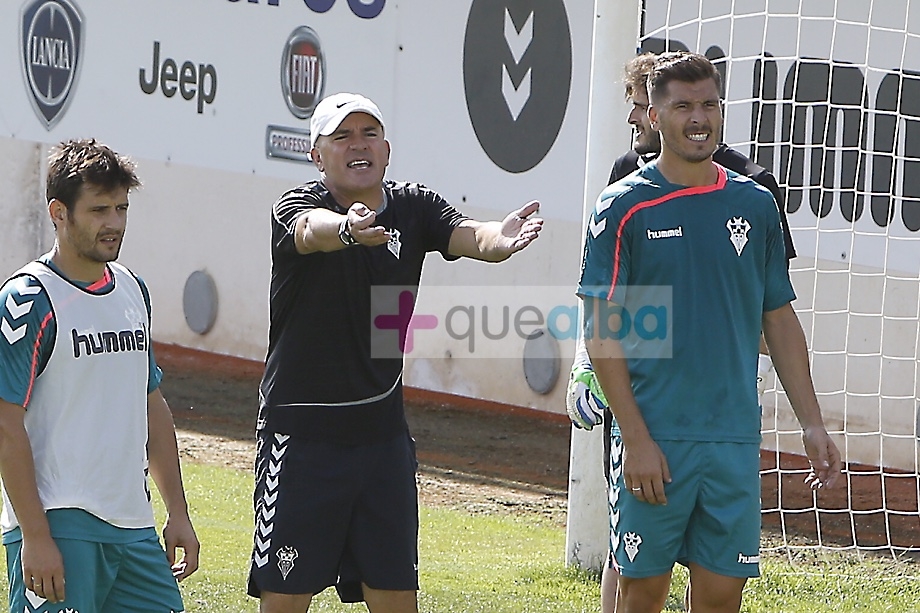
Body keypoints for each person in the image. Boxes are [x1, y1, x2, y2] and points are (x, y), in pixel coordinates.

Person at [247, 92, 543, 613]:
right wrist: (347, 229)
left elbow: (469, 235)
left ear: (386, 150)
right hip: (301, 438)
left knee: (396, 596)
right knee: (286, 600)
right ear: (317, 156)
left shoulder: (414, 207)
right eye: (342, 137)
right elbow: (308, 231)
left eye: (369, 134)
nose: (358, 145)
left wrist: (499, 238)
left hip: (382, 440)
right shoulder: (296, 205)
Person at [577, 52, 841, 612]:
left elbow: (779, 318)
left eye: (709, 104)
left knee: (722, 596)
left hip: (733, 440)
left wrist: (812, 423)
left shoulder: (755, 204)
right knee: (642, 593)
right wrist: (636, 440)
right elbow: (601, 327)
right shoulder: (623, 206)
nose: (699, 118)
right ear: (654, 116)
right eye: (683, 106)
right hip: (655, 437)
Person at [0, 139, 200, 612]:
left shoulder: (132, 289)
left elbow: (151, 404)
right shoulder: (27, 300)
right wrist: (35, 536)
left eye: (121, 208)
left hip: (134, 526)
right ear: (59, 212)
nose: (114, 223)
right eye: (98, 210)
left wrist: (178, 512)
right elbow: (5, 424)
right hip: (60, 522)